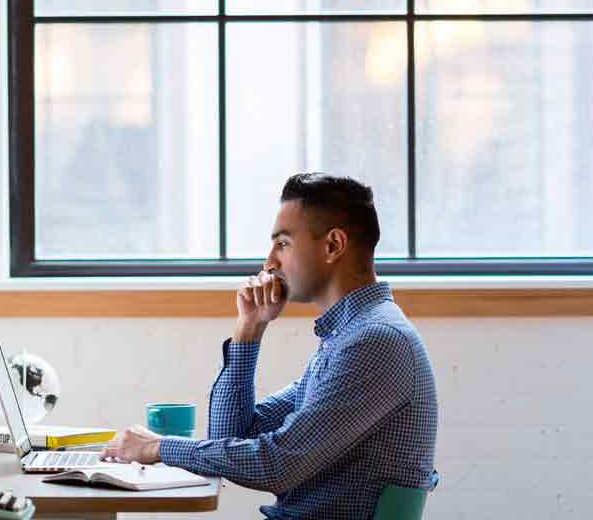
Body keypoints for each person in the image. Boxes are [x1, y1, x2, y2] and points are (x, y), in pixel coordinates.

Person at [104, 173, 438, 519]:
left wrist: (159, 448)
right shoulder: (347, 337)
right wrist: (249, 329)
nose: (269, 263)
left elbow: (278, 464)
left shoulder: (374, 341)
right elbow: (230, 435)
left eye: (283, 243)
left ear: (333, 246)